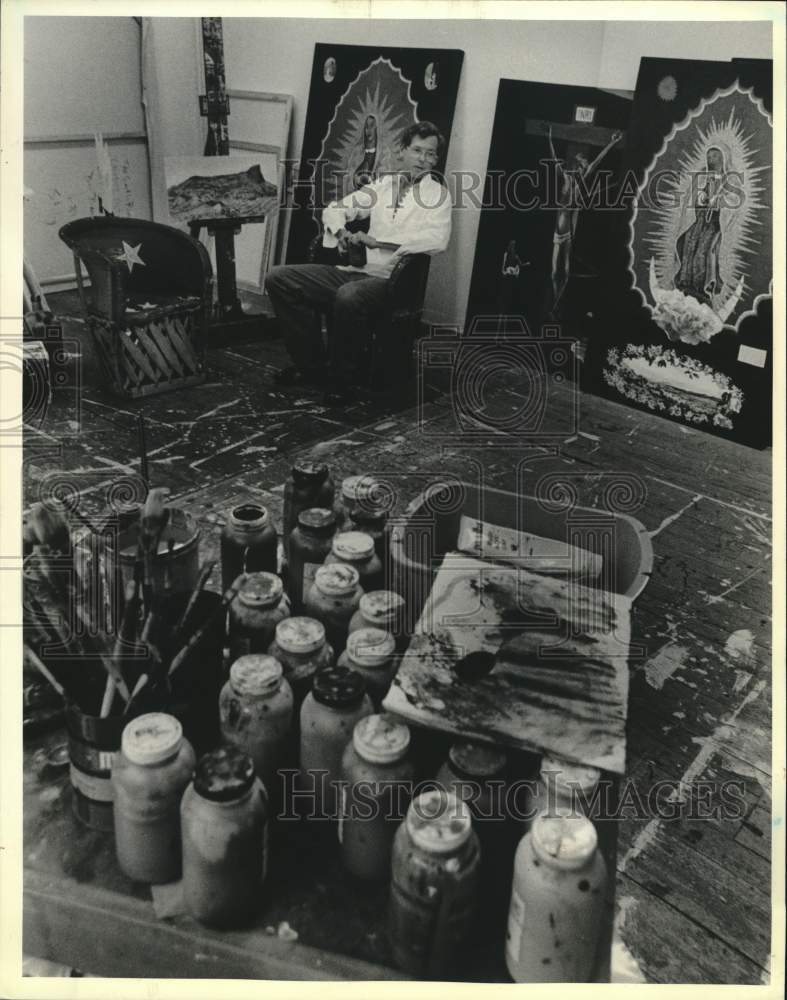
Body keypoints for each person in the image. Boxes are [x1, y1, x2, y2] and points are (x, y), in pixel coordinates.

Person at [266, 121, 452, 403]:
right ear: (402, 151)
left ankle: (343, 379)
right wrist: (341, 233)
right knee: (279, 278)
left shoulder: (438, 195)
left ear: (436, 159)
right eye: (417, 151)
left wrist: (380, 243)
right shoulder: (382, 185)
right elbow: (335, 209)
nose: (423, 159)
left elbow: (438, 240)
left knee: (349, 295)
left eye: (430, 154)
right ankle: (313, 367)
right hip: (355, 271)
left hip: (392, 281)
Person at [546, 125, 622, 319]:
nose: (583, 165)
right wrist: (549, 137)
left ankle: (557, 307)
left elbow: (597, 161)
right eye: (581, 162)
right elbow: (554, 159)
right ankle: (555, 305)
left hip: (568, 234)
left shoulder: (580, 184)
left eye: (583, 164)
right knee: (555, 272)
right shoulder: (566, 179)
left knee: (564, 272)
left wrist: (612, 142)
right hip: (559, 232)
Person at [674, 145, 728, 307]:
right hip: (698, 219)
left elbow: (733, 204)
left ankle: (700, 288)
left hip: (714, 223)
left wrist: (719, 202)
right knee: (688, 247)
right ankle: (685, 284)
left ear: (723, 158)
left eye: (715, 156)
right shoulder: (702, 176)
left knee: (702, 253)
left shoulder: (728, 178)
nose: (712, 160)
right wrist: (701, 199)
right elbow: (690, 199)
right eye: (709, 156)